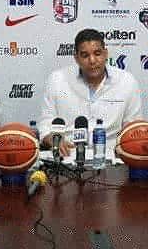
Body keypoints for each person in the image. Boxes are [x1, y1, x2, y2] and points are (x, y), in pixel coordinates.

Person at [36, 28, 141, 156]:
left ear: (105, 54)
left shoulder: (126, 81)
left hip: (112, 156)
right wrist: (53, 139)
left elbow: (133, 128)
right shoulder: (57, 80)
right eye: (85, 55)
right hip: (68, 155)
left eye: (97, 53)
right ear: (76, 58)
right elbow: (45, 126)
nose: (92, 60)